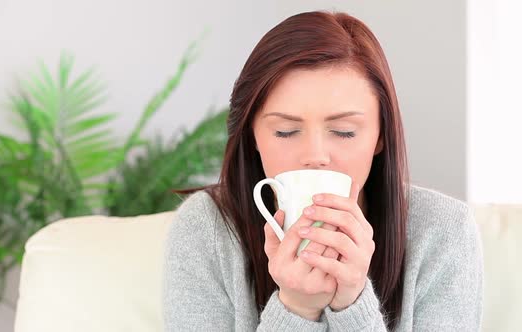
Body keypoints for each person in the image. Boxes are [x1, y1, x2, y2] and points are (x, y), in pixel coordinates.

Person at [162, 10, 483, 331]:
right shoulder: (206, 230)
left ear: (380, 136)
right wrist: (296, 308)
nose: (315, 156)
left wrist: (353, 304)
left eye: (344, 131)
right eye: (285, 131)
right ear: (252, 137)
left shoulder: (444, 232)